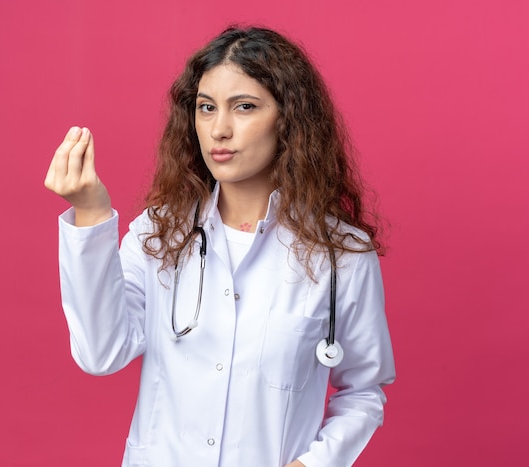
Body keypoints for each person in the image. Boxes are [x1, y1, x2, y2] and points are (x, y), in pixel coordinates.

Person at [44, 26, 395, 467]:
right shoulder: (160, 235)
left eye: (244, 107)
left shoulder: (339, 254)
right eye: (206, 108)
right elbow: (101, 353)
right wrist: (91, 215)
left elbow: (364, 389)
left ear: (288, 119)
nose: (219, 130)